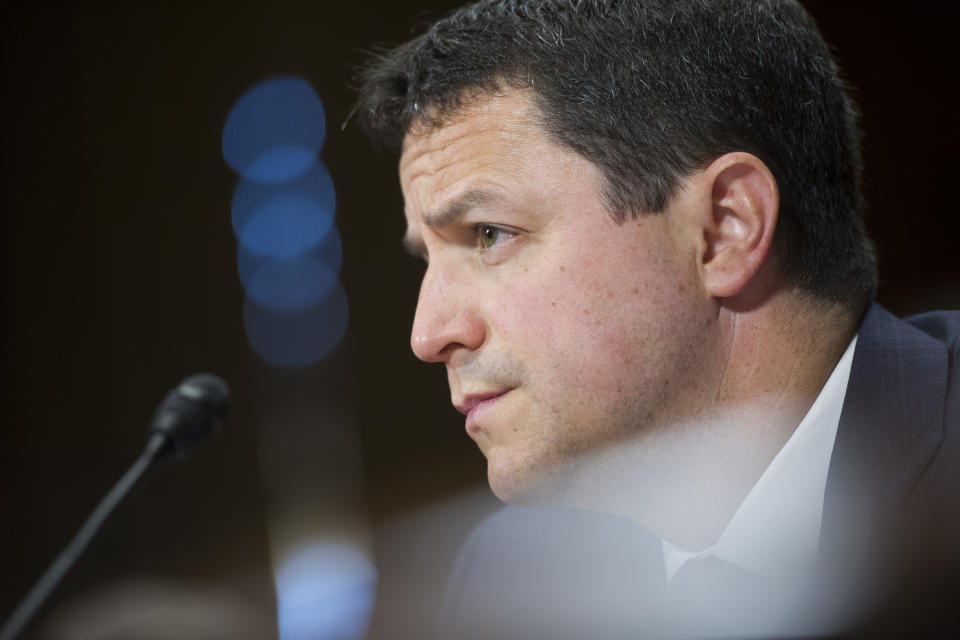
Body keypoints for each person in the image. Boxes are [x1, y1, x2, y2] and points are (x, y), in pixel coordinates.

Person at [354, 0, 959, 637]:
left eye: (489, 234)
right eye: (428, 257)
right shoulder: (505, 582)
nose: (428, 334)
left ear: (725, 229)